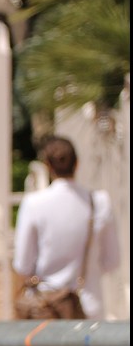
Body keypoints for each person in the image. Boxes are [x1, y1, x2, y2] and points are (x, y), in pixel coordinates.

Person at [13, 135, 121, 320]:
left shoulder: (34, 204)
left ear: (47, 165)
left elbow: (23, 265)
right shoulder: (100, 202)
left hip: (45, 308)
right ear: (77, 164)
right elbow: (112, 261)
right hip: (88, 307)